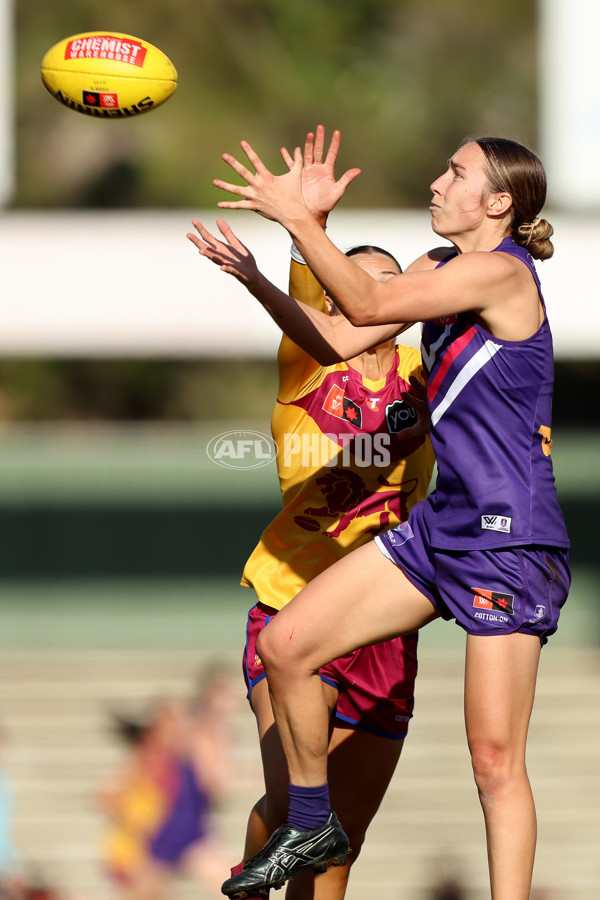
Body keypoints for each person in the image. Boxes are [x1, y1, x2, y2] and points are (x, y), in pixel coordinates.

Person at [190, 128, 571, 900]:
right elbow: (336, 333)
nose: (436, 182)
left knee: (494, 760)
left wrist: (300, 220)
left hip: (507, 534)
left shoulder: (502, 275)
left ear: (497, 202)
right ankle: (308, 821)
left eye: (454, 173)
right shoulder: (439, 266)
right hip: (441, 527)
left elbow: (365, 296)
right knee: (288, 645)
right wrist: (291, 252)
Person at [190, 128, 435, 900]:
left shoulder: (426, 369)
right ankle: (251, 884)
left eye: (387, 286)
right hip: (291, 598)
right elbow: (307, 305)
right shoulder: (308, 362)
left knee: (340, 844)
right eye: (348, 285)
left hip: (384, 619)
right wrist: (309, 229)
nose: (370, 297)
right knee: (298, 807)